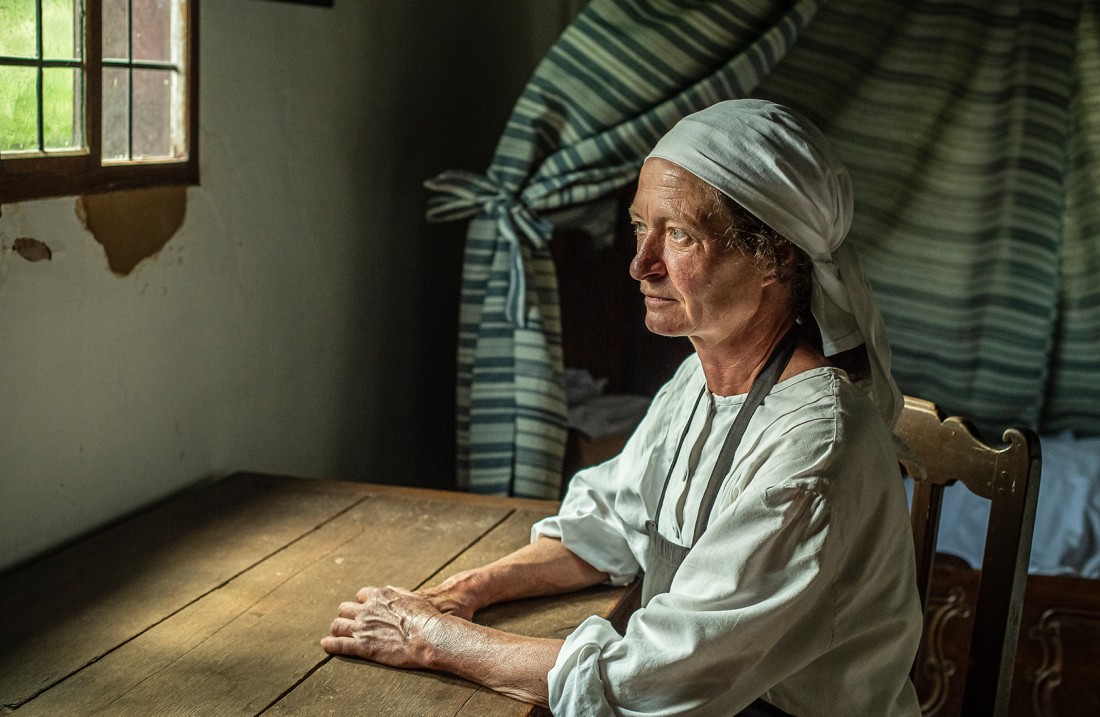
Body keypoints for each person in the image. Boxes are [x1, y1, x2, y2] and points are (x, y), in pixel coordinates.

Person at [322, 99, 922, 716]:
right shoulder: (697, 382)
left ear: (776, 255)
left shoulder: (815, 449)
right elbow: (605, 527)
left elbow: (652, 678)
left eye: (680, 234)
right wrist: (459, 593)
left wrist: (432, 639)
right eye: (641, 227)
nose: (641, 264)